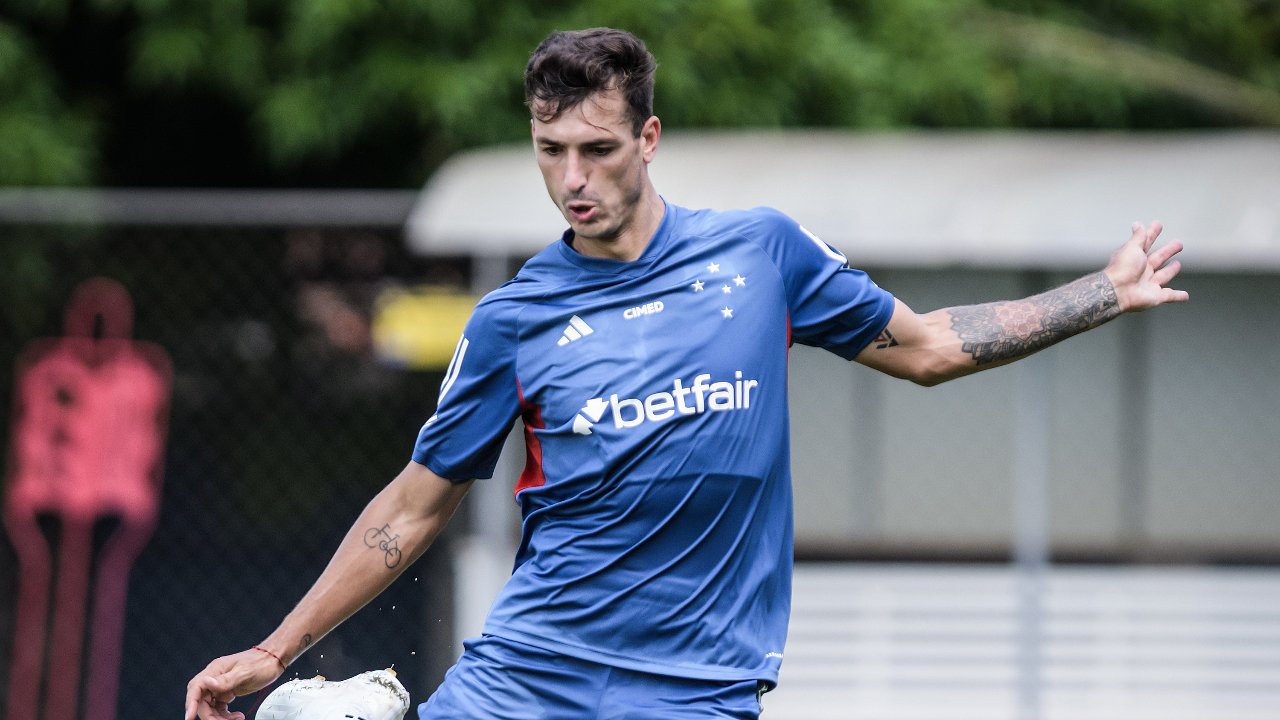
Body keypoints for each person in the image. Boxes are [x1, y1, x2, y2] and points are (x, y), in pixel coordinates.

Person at [185, 27, 1188, 720]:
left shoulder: (761, 255)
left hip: (694, 689)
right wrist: (275, 651)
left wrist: (1100, 293)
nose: (572, 179)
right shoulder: (513, 320)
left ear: (648, 139)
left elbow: (927, 348)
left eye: (596, 149)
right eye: (549, 151)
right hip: (528, 672)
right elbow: (412, 507)